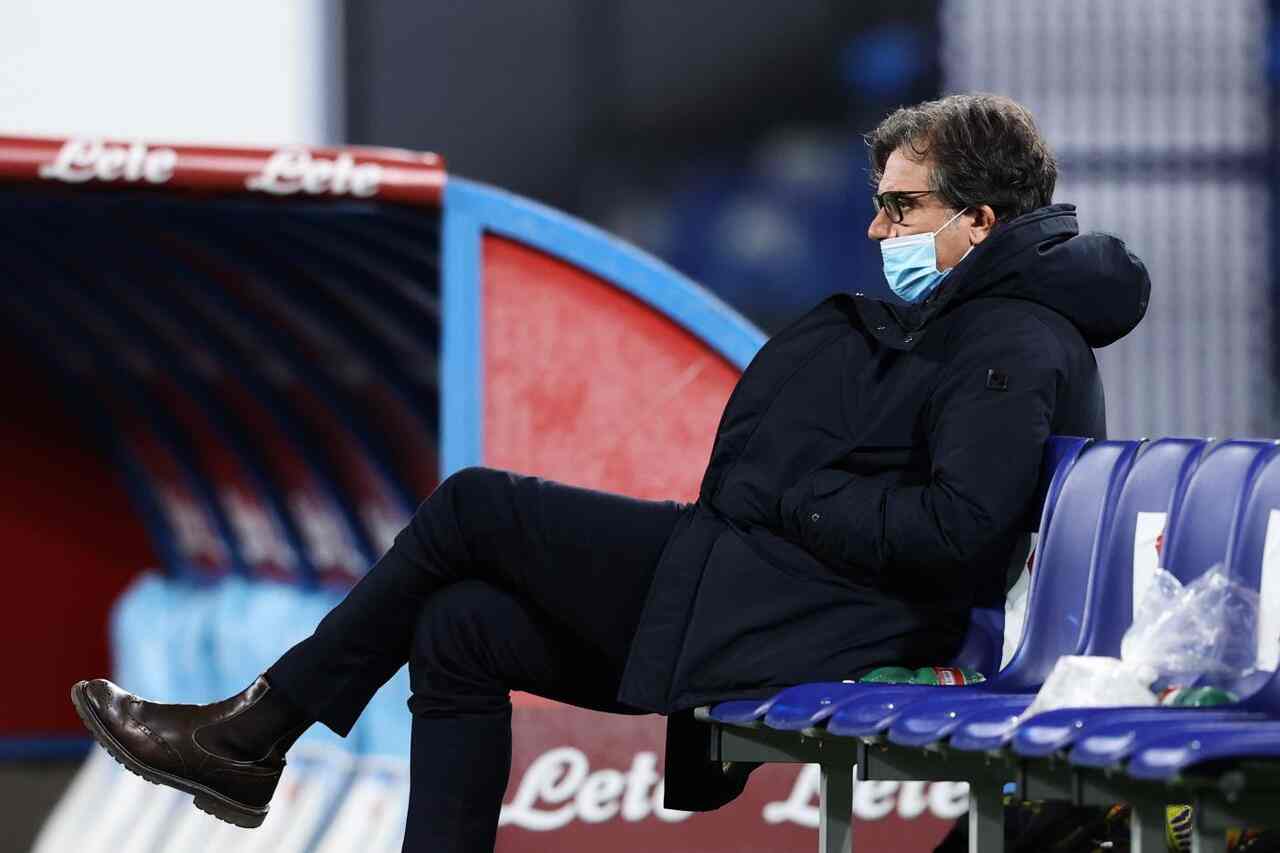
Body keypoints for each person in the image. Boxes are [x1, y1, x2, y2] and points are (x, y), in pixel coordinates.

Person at [70, 93, 1149, 852]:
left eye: (901, 207)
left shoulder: (1012, 341)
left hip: (830, 614)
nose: (876, 228)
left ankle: (252, 733)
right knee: (462, 625)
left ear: (979, 220)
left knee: (476, 506)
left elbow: (959, 532)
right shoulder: (979, 321)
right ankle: (250, 739)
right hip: (788, 583)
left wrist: (799, 495)